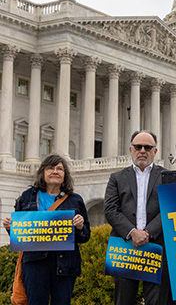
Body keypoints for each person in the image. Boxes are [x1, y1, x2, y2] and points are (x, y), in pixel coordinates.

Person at [2, 153, 90, 304]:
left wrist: (80, 226)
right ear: (43, 172)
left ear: (65, 175)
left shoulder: (75, 200)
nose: (55, 172)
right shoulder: (27, 197)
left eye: (59, 169)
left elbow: (85, 236)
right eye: (50, 168)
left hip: (65, 264)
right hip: (35, 264)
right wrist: (10, 228)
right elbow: (20, 235)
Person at [104, 130, 164, 305]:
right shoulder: (116, 178)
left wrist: (148, 233)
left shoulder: (166, 176)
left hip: (156, 246)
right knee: (123, 300)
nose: (142, 150)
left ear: (155, 151)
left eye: (148, 147)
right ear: (131, 149)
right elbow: (110, 209)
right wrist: (132, 232)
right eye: (138, 147)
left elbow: (168, 208)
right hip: (125, 247)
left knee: (156, 301)